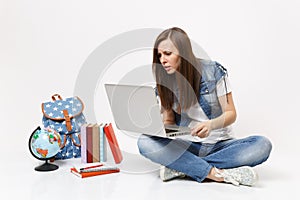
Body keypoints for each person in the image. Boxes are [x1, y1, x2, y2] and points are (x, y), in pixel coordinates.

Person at [137, 27, 272, 186]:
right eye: (159, 55)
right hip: (188, 144)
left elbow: (231, 113)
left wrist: (210, 125)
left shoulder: (213, 71)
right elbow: (169, 122)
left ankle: (182, 167)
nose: (162, 60)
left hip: (220, 145)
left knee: (262, 145)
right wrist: (158, 127)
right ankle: (217, 174)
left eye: (167, 54)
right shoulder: (164, 82)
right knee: (144, 142)